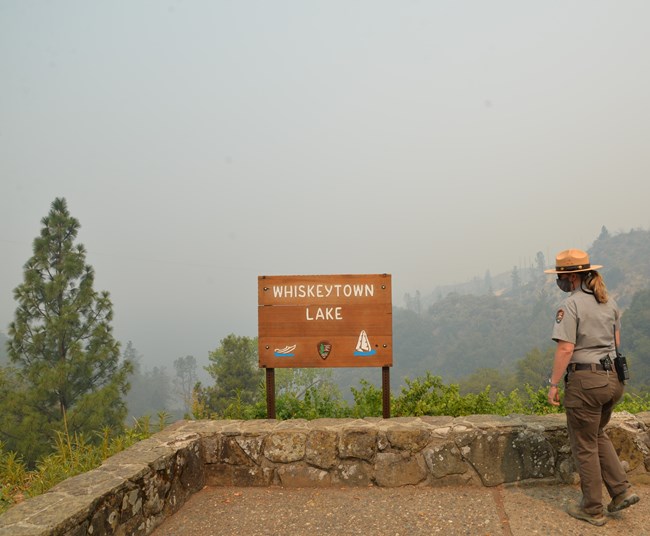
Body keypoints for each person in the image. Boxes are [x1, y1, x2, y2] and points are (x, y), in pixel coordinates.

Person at [545, 249, 639, 525]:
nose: (559, 281)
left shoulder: (571, 305)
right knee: (597, 434)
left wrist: (553, 384)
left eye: (561, 276)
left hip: (586, 382)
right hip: (613, 381)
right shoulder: (609, 302)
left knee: (584, 444)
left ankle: (592, 508)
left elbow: (565, 349)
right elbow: (616, 341)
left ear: (572, 276)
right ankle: (620, 491)